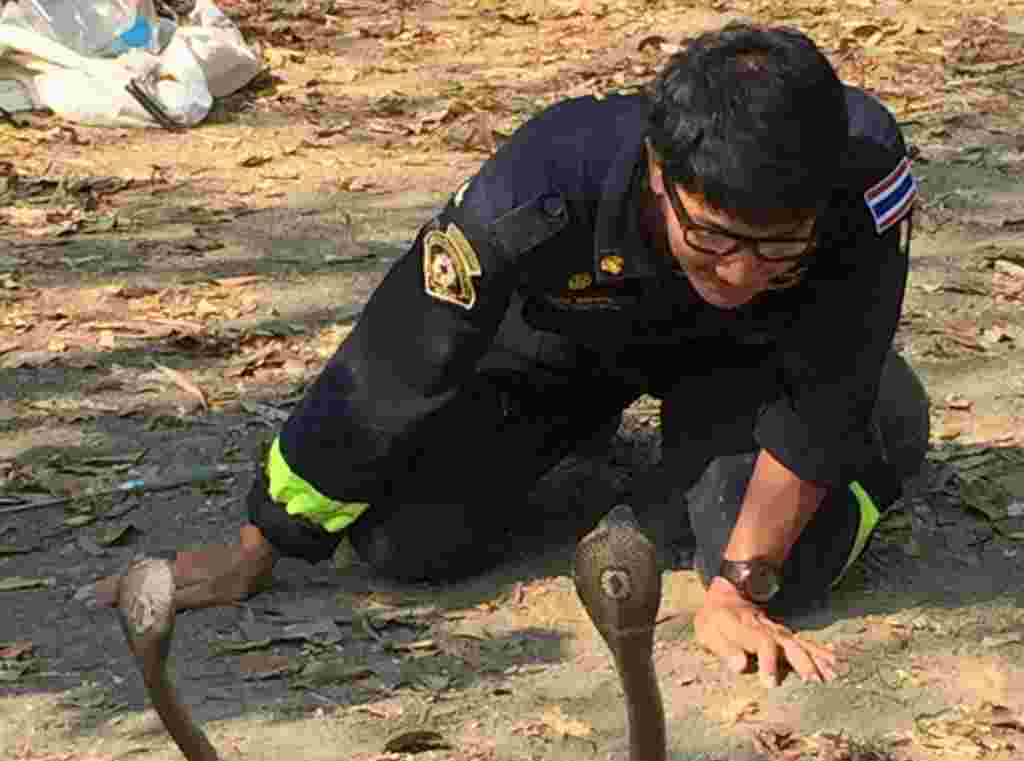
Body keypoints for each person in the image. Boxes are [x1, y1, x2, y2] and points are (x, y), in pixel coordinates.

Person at [87, 21, 928, 688]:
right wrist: (261, 540)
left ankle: (881, 430)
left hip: (761, 362)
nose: (742, 271)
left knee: (784, 559)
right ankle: (624, 458)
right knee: (405, 544)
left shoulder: (862, 170)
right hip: (582, 341)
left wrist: (739, 588)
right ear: (658, 170)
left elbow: (831, 375)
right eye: (710, 237)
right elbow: (400, 353)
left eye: (777, 247)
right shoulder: (543, 181)